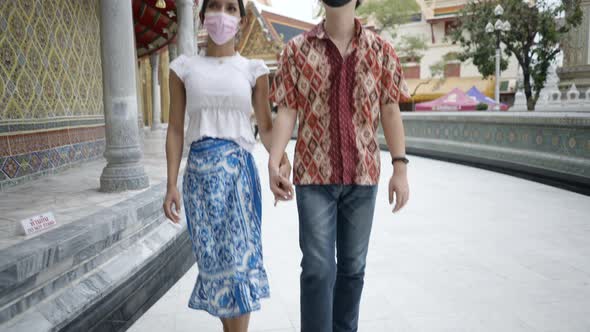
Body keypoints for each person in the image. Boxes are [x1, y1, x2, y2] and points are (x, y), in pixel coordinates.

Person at [268, 0, 411, 331]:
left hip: (362, 178)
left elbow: (390, 110)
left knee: (352, 269)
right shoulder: (296, 51)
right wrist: (274, 160)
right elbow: (287, 109)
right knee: (318, 269)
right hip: (314, 178)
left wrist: (400, 169)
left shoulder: (382, 50)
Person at [162, 0, 292, 331]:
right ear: (204, 16)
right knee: (216, 266)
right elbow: (176, 128)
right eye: (216, 7)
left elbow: (265, 126)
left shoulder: (253, 70)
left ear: (241, 20)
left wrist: (278, 162)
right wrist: (171, 184)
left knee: (240, 264)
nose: (223, 14)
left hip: (239, 176)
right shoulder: (183, 68)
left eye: (231, 8)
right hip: (200, 181)